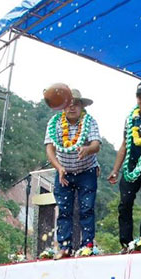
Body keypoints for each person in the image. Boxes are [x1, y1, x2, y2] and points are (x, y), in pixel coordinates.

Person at [45, 89, 102, 254]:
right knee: (64, 209)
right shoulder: (54, 123)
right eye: (69, 104)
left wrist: (87, 149)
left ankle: (87, 246)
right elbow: (49, 149)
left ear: (82, 106)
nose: (72, 107)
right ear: (63, 106)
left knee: (87, 208)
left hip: (87, 171)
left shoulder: (89, 121)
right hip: (64, 172)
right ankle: (64, 246)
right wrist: (59, 167)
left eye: (76, 104)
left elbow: (96, 145)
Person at [109, 83, 141, 248]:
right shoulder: (131, 118)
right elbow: (124, 144)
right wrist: (115, 170)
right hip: (131, 167)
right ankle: (126, 243)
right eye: (140, 97)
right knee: (125, 204)